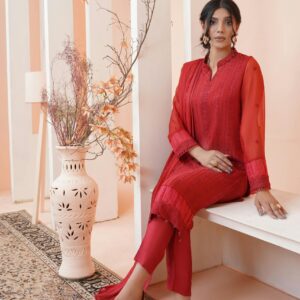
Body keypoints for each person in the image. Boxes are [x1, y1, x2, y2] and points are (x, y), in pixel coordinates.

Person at [95, 0, 288, 299]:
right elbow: (175, 125)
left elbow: (252, 128)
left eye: (227, 22)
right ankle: (153, 290)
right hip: (192, 162)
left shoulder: (247, 67)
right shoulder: (188, 72)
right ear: (204, 27)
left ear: (236, 27)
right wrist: (199, 153)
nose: (220, 29)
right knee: (167, 194)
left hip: (230, 169)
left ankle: (134, 289)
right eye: (214, 22)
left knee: (170, 193)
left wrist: (260, 184)